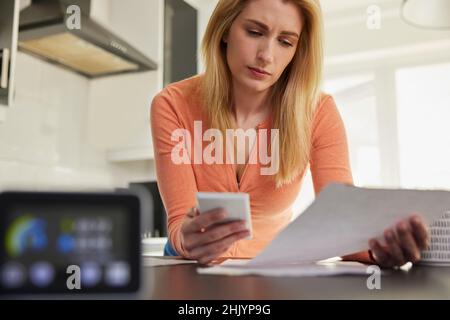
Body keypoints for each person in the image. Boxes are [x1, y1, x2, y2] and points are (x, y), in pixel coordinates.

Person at [150, 0, 429, 267]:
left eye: (285, 42)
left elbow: (342, 225)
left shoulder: (318, 112)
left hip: (270, 271)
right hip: (189, 267)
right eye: (254, 32)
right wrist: (188, 239)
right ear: (224, 30)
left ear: (298, 50)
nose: (266, 56)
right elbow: (178, 225)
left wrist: (380, 248)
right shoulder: (172, 105)